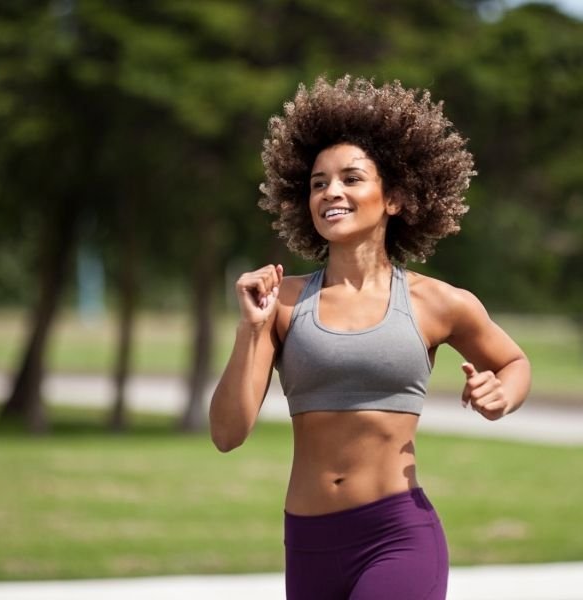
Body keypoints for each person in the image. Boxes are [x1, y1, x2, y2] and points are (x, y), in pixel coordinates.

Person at [209, 75, 531, 600]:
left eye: (351, 178)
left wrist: (504, 395)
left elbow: (514, 362)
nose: (331, 192)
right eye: (317, 183)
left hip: (397, 537)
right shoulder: (283, 303)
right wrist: (251, 328)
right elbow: (227, 434)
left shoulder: (437, 302)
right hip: (308, 544)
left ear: (395, 198)